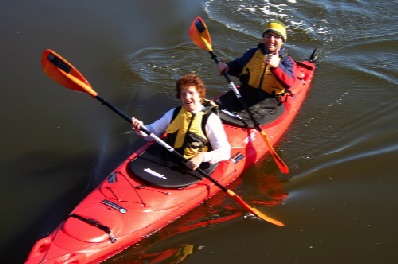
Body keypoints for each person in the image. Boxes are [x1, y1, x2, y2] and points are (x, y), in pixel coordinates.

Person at [132, 73, 231, 172]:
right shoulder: (174, 113)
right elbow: (152, 131)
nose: (187, 97)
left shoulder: (210, 119)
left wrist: (201, 157)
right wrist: (140, 128)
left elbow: (225, 152)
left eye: (191, 93)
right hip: (170, 157)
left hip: (193, 165)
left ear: (200, 95)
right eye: (183, 94)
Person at [217, 19, 296, 97]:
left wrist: (277, 66)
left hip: (268, 99)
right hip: (246, 91)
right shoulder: (253, 53)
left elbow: (290, 83)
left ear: (282, 41)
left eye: (276, 37)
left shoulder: (287, 60)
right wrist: (227, 67)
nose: (271, 40)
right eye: (268, 36)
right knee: (213, 106)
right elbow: (239, 65)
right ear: (264, 37)